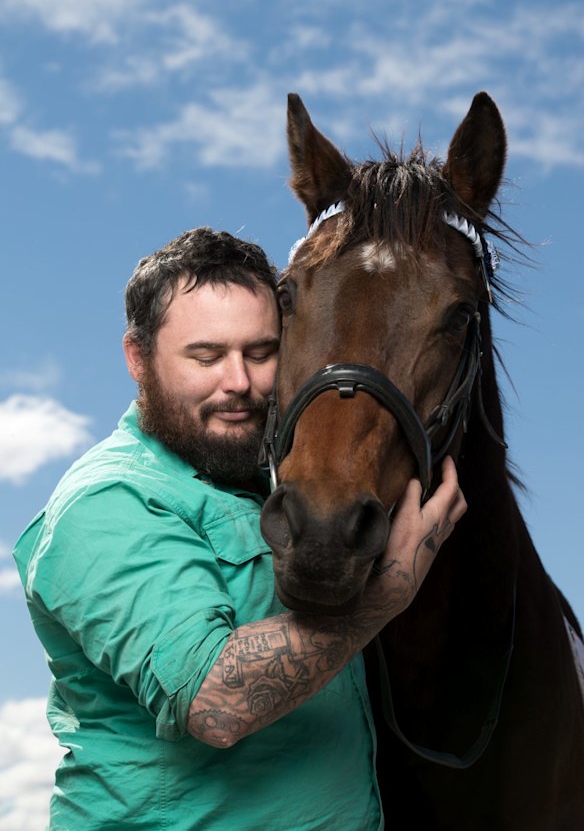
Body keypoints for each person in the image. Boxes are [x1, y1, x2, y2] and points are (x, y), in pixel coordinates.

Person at [14, 227, 467, 830]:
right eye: (205, 356)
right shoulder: (106, 503)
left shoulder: (276, 485)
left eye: (261, 353)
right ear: (137, 359)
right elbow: (215, 702)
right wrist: (387, 592)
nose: (240, 384)